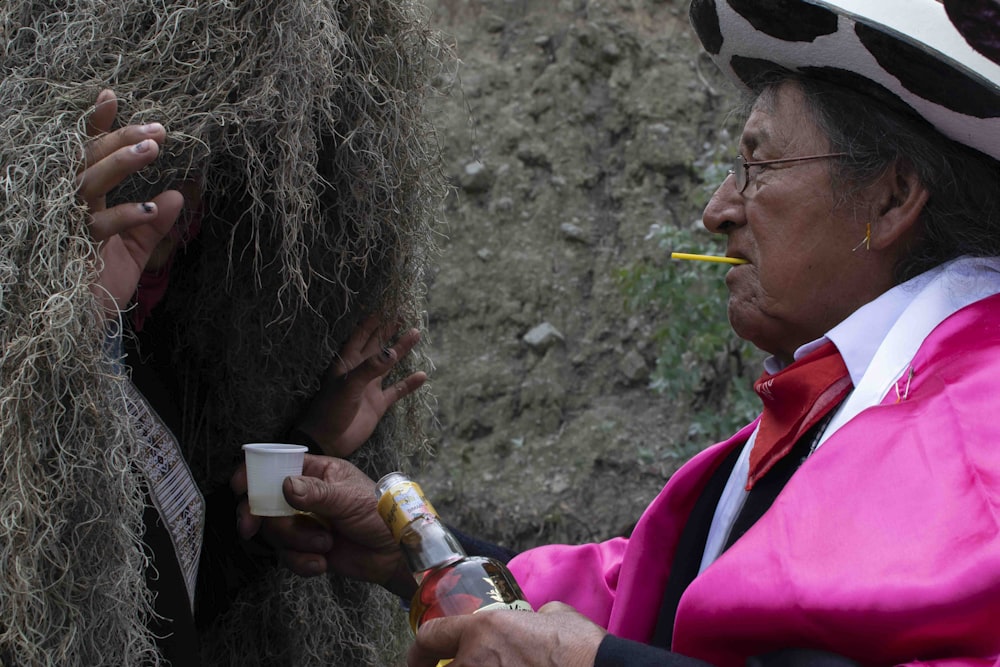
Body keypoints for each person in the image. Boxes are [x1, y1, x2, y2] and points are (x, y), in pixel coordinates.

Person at [235, 0, 1000, 665]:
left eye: (758, 165)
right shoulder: (854, 403)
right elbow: (653, 598)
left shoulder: (972, 436)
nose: (719, 209)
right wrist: (412, 547)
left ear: (893, 197)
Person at [0, 0, 444, 663]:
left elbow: (165, 593)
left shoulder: (151, 372)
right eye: (168, 168)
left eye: (203, 179)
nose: (186, 205)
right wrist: (64, 335)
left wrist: (309, 439)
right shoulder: (56, 369)